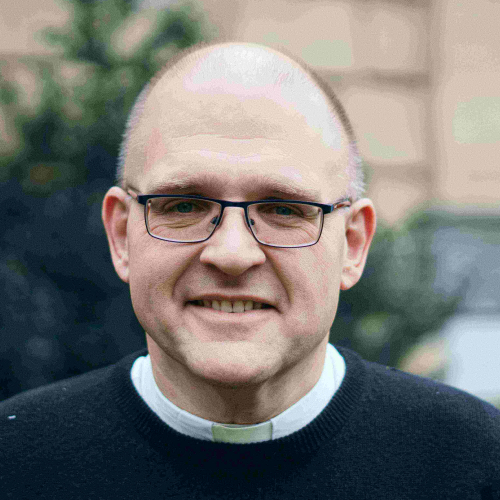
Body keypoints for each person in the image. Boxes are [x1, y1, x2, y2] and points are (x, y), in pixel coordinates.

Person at [1, 42, 499, 499]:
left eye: (284, 209)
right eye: (183, 205)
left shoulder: (475, 466)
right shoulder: (16, 462)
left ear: (352, 244)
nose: (233, 254)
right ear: (120, 235)